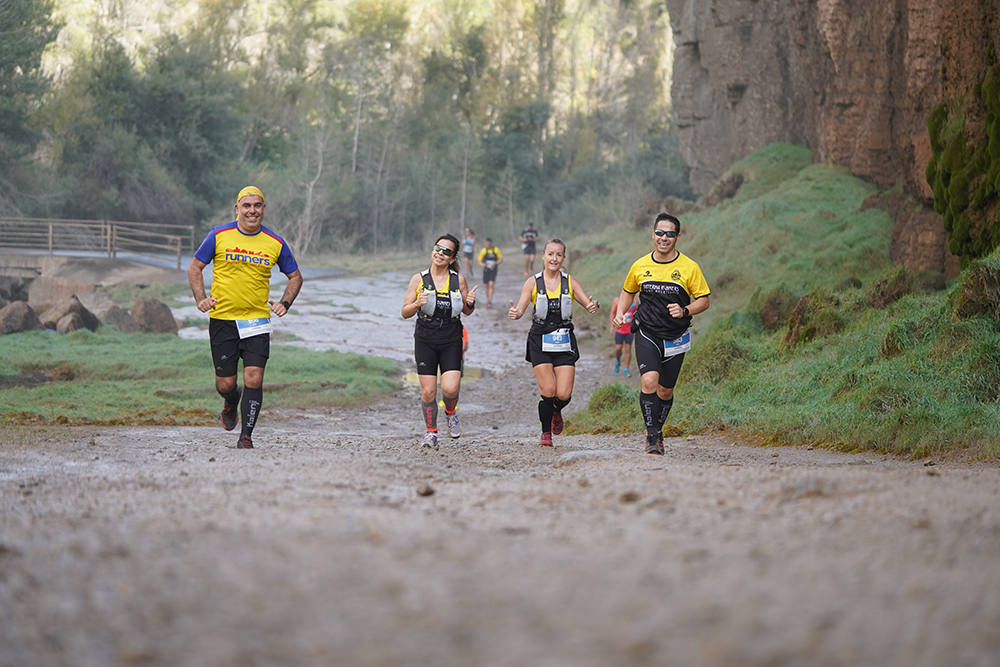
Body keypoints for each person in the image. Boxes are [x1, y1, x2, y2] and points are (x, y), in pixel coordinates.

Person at [187, 185, 303, 449]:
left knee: (255, 378)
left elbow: (295, 276)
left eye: (258, 206)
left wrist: (285, 302)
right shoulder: (219, 235)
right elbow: (195, 267)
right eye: (247, 206)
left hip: (256, 321)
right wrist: (200, 299)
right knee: (225, 383)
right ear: (237, 208)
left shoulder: (275, 243)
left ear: (263, 209)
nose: (253, 211)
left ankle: (246, 436)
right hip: (223, 320)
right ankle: (230, 402)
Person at [612, 212, 710, 455]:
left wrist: (685, 309)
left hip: (676, 336)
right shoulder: (640, 265)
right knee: (649, 381)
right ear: (652, 234)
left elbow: (704, 300)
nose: (663, 238)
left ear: (677, 237)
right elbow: (628, 291)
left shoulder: (689, 267)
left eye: (669, 234)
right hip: (647, 331)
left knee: (666, 391)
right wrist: (621, 312)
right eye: (659, 233)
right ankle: (652, 436)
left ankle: (657, 428)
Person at [508, 239, 600, 446]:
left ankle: (557, 410)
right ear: (543, 256)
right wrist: (515, 313)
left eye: (558, 255)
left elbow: (588, 304)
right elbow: (521, 308)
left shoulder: (570, 282)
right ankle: (545, 433)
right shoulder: (532, 282)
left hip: (564, 339)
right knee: (548, 391)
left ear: (563, 258)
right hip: (539, 338)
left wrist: (593, 306)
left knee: (564, 394)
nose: (554, 258)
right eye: (550, 254)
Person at [402, 234, 478, 449]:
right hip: (425, 338)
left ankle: (451, 413)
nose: (440, 253)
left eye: (446, 251)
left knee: (450, 389)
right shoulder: (418, 279)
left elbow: (467, 310)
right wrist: (417, 303)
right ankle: (431, 433)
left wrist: (471, 303)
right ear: (432, 249)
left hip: (451, 337)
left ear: (452, 258)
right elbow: (405, 312)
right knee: (428, 391)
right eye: (438, 248)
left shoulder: (458, 280)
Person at [610, 295, 637, 377]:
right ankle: (618, 361)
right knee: (618, 348)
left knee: (628, 349)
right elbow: (612, 313)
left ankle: (626, 369)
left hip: (629, 330)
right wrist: (612, 326)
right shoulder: (617, 300)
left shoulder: (635, 301)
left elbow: (638, 314)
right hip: (619, 329)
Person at [477, 238, 502, 308]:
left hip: (493, 270)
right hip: (486, 270)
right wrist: (482, 264)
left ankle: (489, 301)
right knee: (486, 286)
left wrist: (495, 263)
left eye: (489, 243)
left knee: (491, 284)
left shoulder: (496, 250)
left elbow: (500, 259)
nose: (488, 244)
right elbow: (479, 260)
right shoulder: (483, 251)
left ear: (491, 243)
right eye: (486, 243)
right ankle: (488, 299)